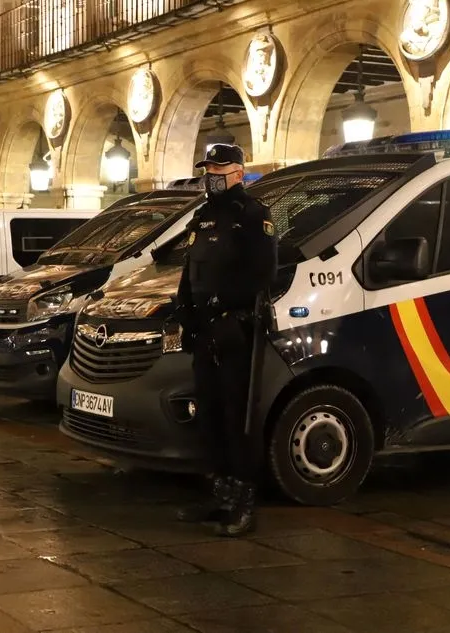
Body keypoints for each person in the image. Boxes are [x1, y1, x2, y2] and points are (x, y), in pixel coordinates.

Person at [173, 143, 277, 537]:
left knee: (237, 418)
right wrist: (184, 311)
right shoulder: (202, 217)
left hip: (235, 328)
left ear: (238, 173)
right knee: (210, 416)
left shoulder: (251, 214)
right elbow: (189, 271)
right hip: (204, 330)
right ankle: (219, 494)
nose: (211, 176)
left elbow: (262, 272)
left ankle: (243, 503)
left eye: (218, 170)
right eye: (208, 170)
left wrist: (224, 303)